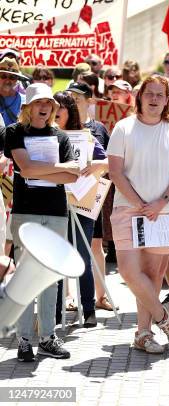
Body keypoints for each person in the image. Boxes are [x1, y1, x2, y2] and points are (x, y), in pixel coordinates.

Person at [107, 75, 169, 354]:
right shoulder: (123, 128)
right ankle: (165, 318)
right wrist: (141, 203)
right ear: (139, 96)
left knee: (153, 276)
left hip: (163, 212)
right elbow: (115, 172)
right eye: (149, 93)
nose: (154, 99)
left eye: (160, 95)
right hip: (127, 208)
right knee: (130, 272)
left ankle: (143, 333)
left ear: (168, 100)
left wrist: (159, 202)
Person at [4, 83, 80, 362]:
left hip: (56, 212)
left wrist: (44, 170)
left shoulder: (60, 136)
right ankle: (24, 340)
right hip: (26, 213)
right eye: (38, 103)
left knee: (50, 278)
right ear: (27, 107)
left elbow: (73, 176)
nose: (44, 107)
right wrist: (60, 169)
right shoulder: (15, 132)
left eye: (48, 103)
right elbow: (26, 168)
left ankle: (48, 337)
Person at [52, 91, 108, 329]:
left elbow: (107, 163)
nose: (53, 112)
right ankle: (55, 311)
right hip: (53, 205)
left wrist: (94, 164)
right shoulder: (46, 136)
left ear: (69, 110)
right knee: (55, 259)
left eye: (59, 108)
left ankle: (89, 309)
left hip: (82, 205)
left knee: (82, 257)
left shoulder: (86, 137)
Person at [65, 82, 116, 312]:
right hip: (66, 195)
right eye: (70, 97)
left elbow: (109, 164)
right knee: (66, 246)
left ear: (89, 101)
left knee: (95, 245)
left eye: (78, 97)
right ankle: (68, 297)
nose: (74, 101)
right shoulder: (62, 126)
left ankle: (100, 295)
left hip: (92, 196)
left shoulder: (99, 129)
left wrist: (96, 170)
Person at [0, 56, 26, 126]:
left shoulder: (24, 101)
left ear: (17, 79)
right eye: (3, 76)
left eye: (12, 77)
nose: (7, 80)